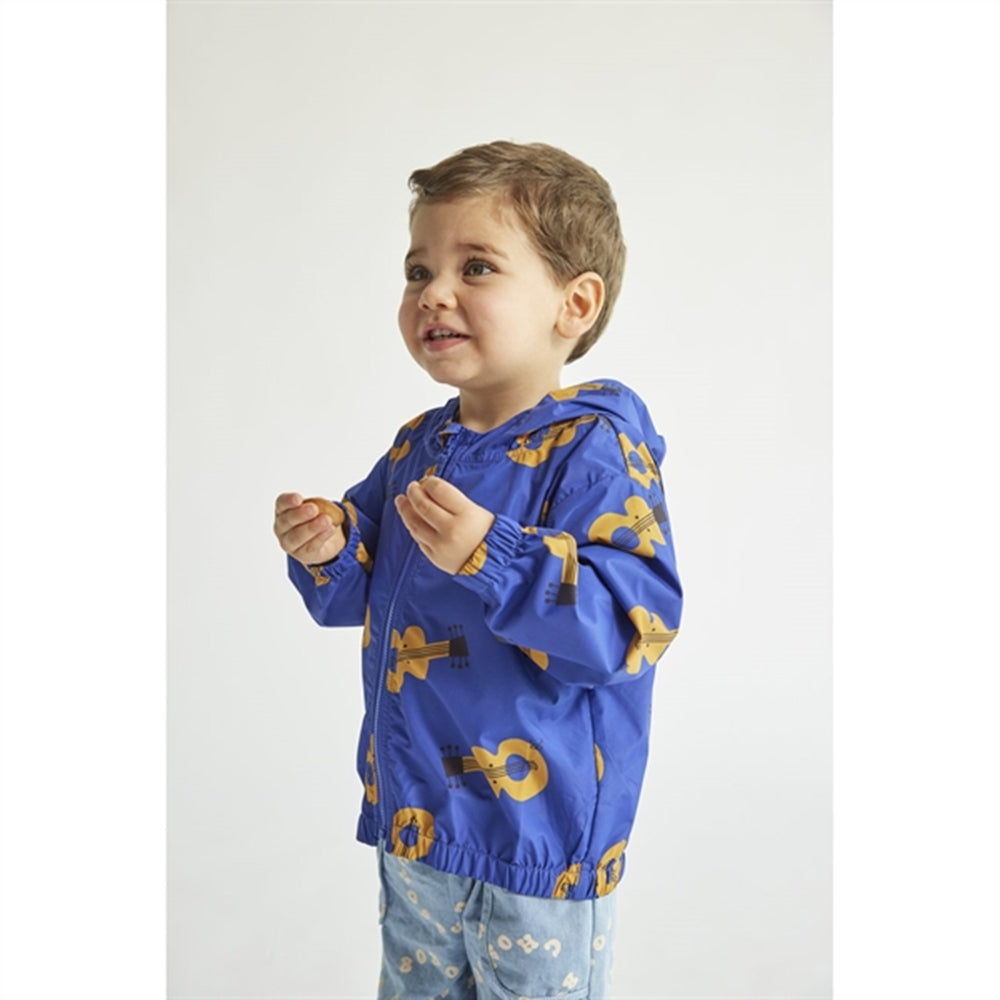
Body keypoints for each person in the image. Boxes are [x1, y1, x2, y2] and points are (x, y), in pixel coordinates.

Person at [273, 140, 683, 1000]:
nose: (434, 292)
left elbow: (631, 625)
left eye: (478, 267)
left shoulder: (595, 453)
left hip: (536, 842)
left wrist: (493, 557)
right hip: (419, 822)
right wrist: (329, 547)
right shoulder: (418, 448)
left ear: (574, 304)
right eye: (418, 270)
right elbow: (365, 589)